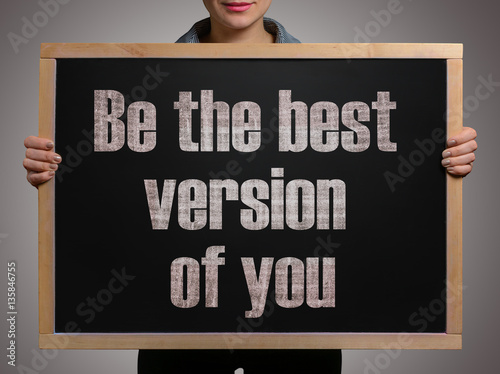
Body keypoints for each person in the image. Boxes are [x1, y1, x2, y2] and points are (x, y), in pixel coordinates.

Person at [22, 1, 477, 373]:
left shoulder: (341, 86)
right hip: (177, 342)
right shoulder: (137, 84)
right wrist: (57, 174)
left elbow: (383, 185)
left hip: (301, 342)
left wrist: (440, 156)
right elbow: (106, 194)